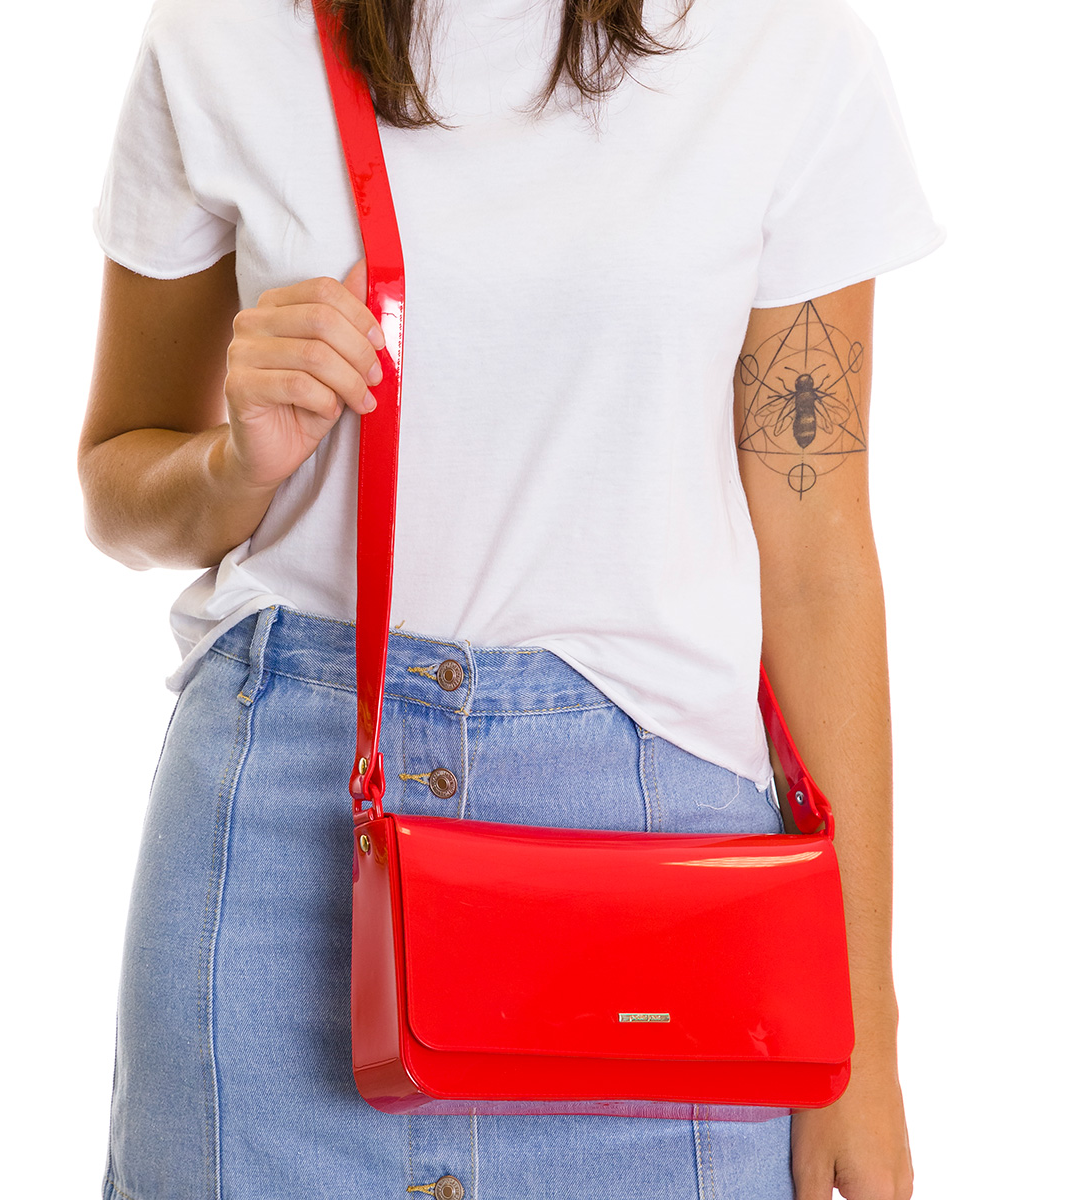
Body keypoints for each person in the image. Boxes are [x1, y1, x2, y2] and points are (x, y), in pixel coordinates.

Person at [80, 0, 943, 1195]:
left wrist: (865, 1036)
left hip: (665, 909)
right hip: (282, 863)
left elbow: (817, 560)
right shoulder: (222, 32)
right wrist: (236, 465)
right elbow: (118, 483)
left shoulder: (783, 45)